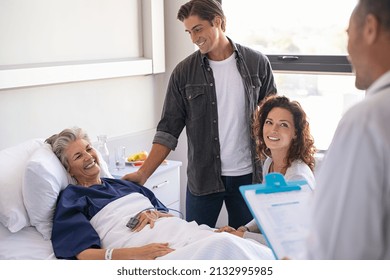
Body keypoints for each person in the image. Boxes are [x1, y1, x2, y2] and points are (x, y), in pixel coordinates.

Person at [122, 0, 277, 229]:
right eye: (189, 32)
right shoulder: (184, 73)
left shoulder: (257, 63)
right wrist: (143, 174)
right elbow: (168, 129)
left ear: (218, 21)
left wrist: (281, 169)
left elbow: (274, 122)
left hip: (249, 177)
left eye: (198, 29)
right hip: (203, 179)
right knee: (192, 244)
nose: (194, 39)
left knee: (248, 247)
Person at [47, 127, 274, 260]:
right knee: (228, 247)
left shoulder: (125, 185)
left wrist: (158, 215)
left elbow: (169, 218)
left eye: (88, 149)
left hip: (187, 234)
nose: (88, 157)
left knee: (263, 248)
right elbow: (82, 254)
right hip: (156, 252)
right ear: (68, 169)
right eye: (78, 157)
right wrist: (137, 253)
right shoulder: (72, 198)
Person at [305, 0, 390, 259]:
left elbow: (338, 253)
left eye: (348, 35)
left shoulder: (368, 120)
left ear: (370, 28)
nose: (348, 51)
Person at [217, 95, 316, 242]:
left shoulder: (297, 178)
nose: (273, 129)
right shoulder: (269, 163)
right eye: (269, 122)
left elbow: (292, 240)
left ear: (296, 133)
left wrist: (243, 236)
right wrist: (243, 229)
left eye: (283, 125)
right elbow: (267, 213)